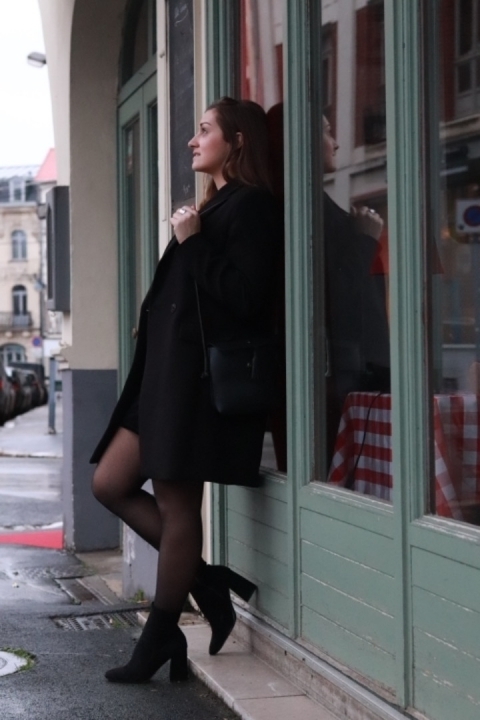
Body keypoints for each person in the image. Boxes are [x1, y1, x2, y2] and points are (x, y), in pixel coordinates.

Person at [90, 97, 281, 683]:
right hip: (163, 378)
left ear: (238, 140)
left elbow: (246, 298)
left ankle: (161, 634)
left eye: (204, 131)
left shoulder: (251, 206)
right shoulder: (212, 205)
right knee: (109, 482)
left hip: (193, 384)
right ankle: (205, 580)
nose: (193, 141)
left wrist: (193, 242)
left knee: (177, 505)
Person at [322, 116, 390, 462]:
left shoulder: (322, 208)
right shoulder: (314, 212)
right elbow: (341, 294)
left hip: (352, 367)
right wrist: (365, 240)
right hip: (346, 370)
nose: (335, 142)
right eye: (326, 132)